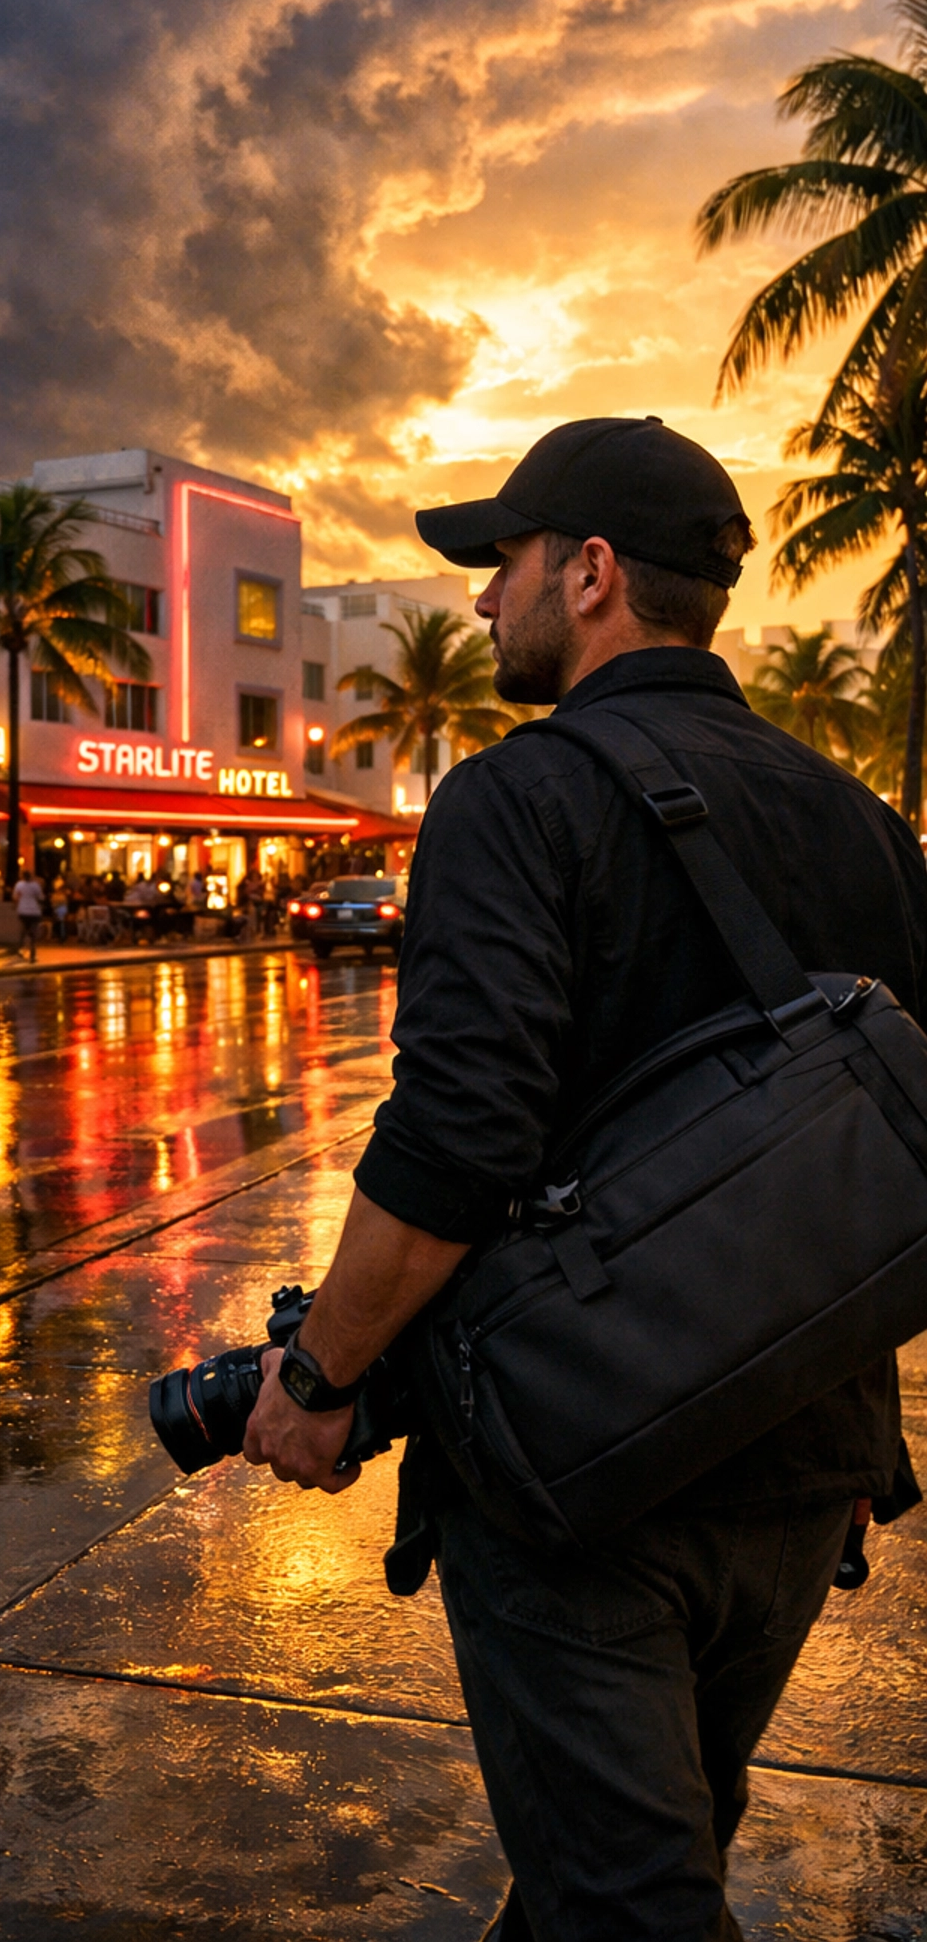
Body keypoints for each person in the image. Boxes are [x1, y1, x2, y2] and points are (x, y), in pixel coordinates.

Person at [241, 416, 927, 1941]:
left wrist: (320, 1368)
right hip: (807, 1471)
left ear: (593, 573)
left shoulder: (518, 799)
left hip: (582, 1482)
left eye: (505, 565)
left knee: (623, 1904)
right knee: (615, 1873)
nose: (485, 603)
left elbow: (455, 1148)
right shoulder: (864, 825)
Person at [11, 867, 45, 961]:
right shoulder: (35, 885)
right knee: (33, 933)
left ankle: (20, 950)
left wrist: (15, 905)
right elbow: (41, 897)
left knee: (22, 931)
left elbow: (15, 897)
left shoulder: (19, 885)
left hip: (22, 911)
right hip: (34, 911)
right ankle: (33, 954)